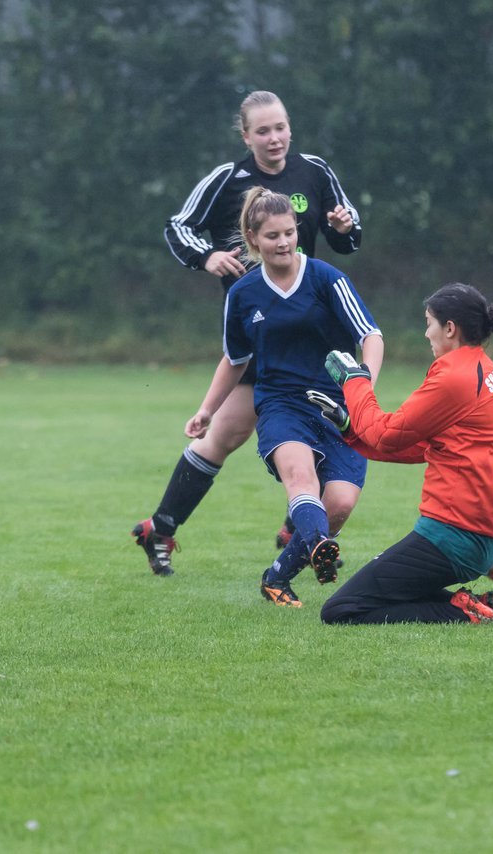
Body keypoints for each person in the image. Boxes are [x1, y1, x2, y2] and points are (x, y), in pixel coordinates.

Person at [133, 90, 363, 575]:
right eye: (262, 130)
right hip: (258, 339)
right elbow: (179, 226)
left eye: (280, 127)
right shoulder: (227, 179)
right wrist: (207, 256)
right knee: (223, 435)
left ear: (289, 128)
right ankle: (161, 528)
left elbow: (348, 237)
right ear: (246, 136)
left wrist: (344, 226)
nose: (274, 137)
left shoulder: (315, 171)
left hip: (313, 340)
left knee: (323, 435)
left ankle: (298, 527)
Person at [311, 283, 493, 624]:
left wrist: (355, 381)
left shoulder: (454, 375)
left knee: (341, 610)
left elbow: (387, 434)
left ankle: (467, 612)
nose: (427, 333)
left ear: (450, 328)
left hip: (454, 534)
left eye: (429, 323)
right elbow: (423, 448)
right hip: (479, 533)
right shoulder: (485, 370)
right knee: (389, 591)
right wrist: (351, 429)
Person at [185, 187, 383, 606]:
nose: (284, 242)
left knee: (340, 504)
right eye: (273, 235)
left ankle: (277, 575)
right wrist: (207, 410)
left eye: (290, 232)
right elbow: (235, 359)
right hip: (281, 404)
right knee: (300, 478)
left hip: (340, 404)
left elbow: (371, 335)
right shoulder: (243, 293)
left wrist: (364, 386)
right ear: (254, 238)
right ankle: (318, 546)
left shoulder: (327, 279)